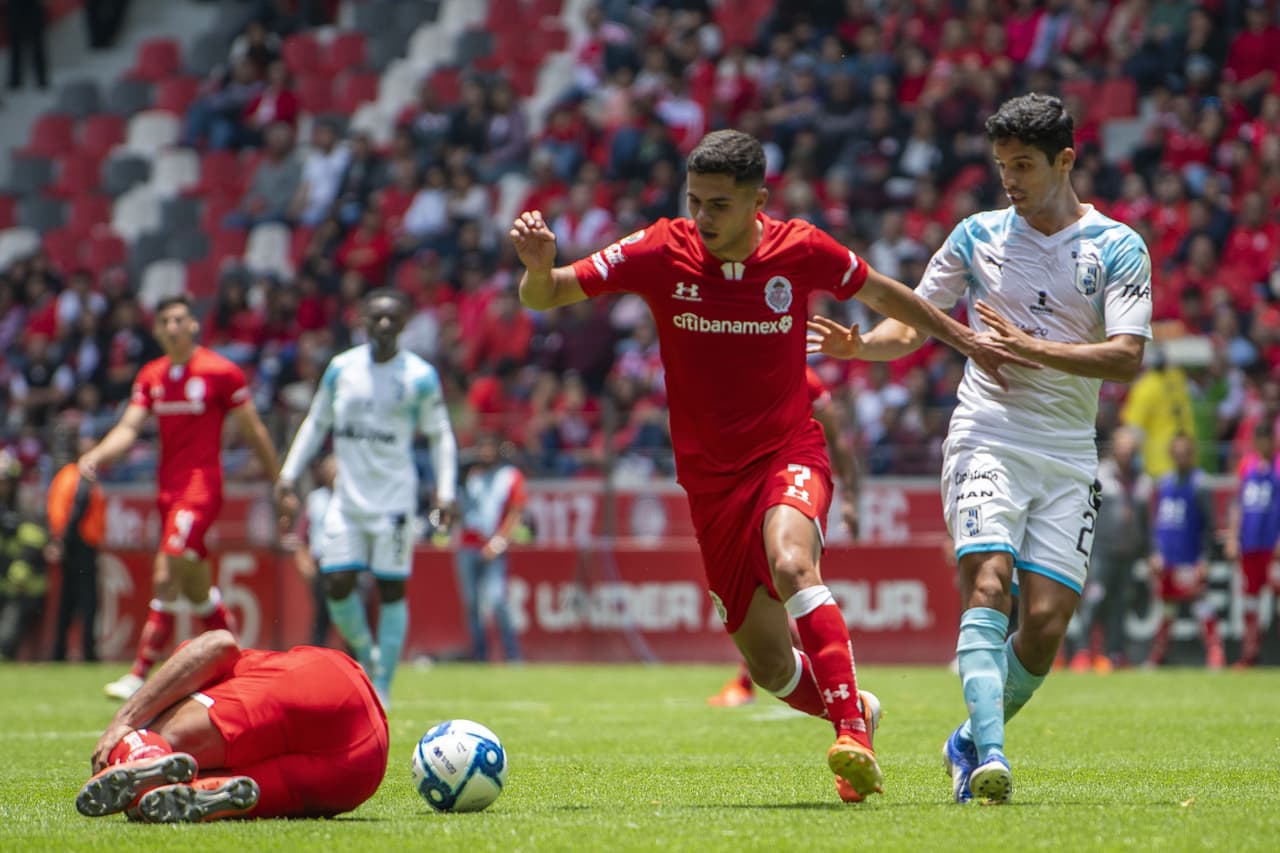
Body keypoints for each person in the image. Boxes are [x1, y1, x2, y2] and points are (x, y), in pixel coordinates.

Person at [510, 128, 1031, 803]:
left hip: (789, 451)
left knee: (792, 561)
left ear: (759, 199)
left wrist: (961, 338)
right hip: (710, 483)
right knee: (767, 664)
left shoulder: (801, 249)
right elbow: (548, 295)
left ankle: (851, 735)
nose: (703, 217)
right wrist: (536, 266)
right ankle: (857, 708)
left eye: (719, 205)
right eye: (695, 201)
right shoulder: (661, 249)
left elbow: (882, 294)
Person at [808, 93, 1152, 804]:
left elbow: (1125, 359)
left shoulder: (1117, 245)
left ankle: (966, 735)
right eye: (1002, 166)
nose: (1012, 180)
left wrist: (1031, 346)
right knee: (989, 582)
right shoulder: (976, 236)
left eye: (1024, 165)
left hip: (1065, 451)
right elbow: (915, 325)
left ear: (1066, 159)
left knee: (1048, 625)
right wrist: (865, 346)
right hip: (986, 433)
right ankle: (987, 757)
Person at [79, 295, 280, 700]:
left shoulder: (221, 372)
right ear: (156, 330)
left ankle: (139, 674)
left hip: (201, 488)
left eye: (180, 319)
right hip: (167, 489)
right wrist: (97, 454)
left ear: (193, 326)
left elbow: (254, 429)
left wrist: (278, 479)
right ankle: (238, 665)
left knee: (165, 573)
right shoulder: (151, 375)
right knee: (196, 590)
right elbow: (129, 427)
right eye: (165, 320)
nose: (172, 326)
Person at [275, 289, 459, 709]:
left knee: (391, 589)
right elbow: (316, 421)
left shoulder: (419, 376)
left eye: (392, 319)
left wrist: (446, 492)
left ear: (404, 324)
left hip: (394, 500)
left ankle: (384, 685)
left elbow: (440, 435)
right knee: (335, 583)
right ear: (362, 320)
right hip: (346, 501)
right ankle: (369, 652)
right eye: (375, 318)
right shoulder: (342, 369)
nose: (383, 326)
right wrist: (288, 474)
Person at [76, 629, 387, 822]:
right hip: (360, 775)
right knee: (211, 788)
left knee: (155, 738)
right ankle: (180, 792)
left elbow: (218, 642)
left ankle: (142, 757)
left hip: (323, 690)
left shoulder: (190, 668)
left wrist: (124, 722)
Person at [707, 364, 862, 707]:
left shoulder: (802, 377)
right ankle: (823, 680)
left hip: (794, 481)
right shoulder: (720, 371)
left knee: (789, 573)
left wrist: (850, 499)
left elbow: (836, 438)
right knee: (763, 594)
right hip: (743, 493)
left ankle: (837, 690)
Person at [1061, 426, 1150, 672]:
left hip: (1128, 554)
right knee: (1093, 601)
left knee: (1120, 605)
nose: (1127, 454)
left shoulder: (1141, 480)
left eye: (1131, 450)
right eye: (1122, 448)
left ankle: (1114, 653)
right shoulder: (1100, 475)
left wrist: (1148, 551)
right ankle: (1081, 652)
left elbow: (1145, 522)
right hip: (1101, 552)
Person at [1146, 433, 1224, 669]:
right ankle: (1158, 656)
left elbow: (1210, 527)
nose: (1180, 456)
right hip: (1168, 558)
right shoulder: (1165, 483)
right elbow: (1158, 523)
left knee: (1201, 604)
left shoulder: (1200, 484)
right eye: (1176, 451)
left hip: (1190, 558)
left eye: (1185, 451)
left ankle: (1215, 653)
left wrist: (1205, 559)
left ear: (1192, 454)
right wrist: (1155, 552)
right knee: (1168, 608)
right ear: (1171, 453)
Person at [456, 431, 527, 663]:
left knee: (497, 600)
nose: (486, 453)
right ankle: (480, 654)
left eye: (490, 447)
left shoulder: (509, 476)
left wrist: (499, 542)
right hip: (467, 545)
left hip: (493, 545)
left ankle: (512, 654)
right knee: (471, 603)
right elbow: (449, 512)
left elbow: (516, 512)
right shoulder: (468, 475)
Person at [1225, 423, 1280, 668]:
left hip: (1272, 544)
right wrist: (1233, 536)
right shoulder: (1246, 465)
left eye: (1266, 439)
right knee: (1250, 600)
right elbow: (1238, 503)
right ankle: (1250, 654)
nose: (1262, 445)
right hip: (1250, 543)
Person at [48, 455, 107, 662]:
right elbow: (78, 509)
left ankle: (59, 653)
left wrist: (59, 541)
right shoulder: (79, 477)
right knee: (87, 602)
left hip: (70, 541)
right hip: (81, 544)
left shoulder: (63, 476)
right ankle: (88, 653)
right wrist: (65, 542)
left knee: (67, 602)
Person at [0, 452, 49, 660]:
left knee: (6, 636)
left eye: (4, 482)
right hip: (4, 582)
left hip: (24, 586)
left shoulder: (24, 507)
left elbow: (33, 540)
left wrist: (20, 570)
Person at [293, 454, 337, 647]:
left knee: (353, 619)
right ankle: (317, 656)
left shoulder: (353, 499)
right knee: (322, 616)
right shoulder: (315, 499)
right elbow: (301, 537)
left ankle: (358, 662)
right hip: (323, 565)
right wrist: (303, 560)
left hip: (350, 564)